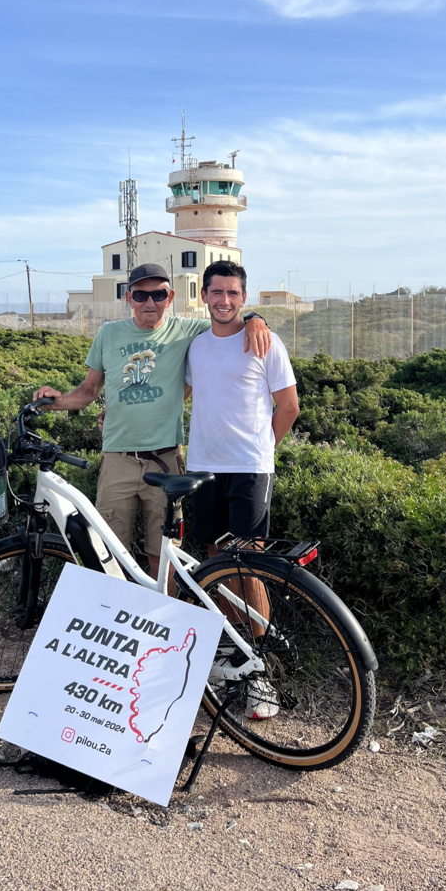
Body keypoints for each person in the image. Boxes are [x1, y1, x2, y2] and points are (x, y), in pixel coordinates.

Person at [33, 262, 270, 582]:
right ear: (128, 298)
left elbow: (226, 318)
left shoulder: (187, 330)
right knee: (109, 552)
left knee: (164, 555)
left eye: (158, 294)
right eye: (141, 295)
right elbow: (88, 391)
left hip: (166, 459)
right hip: (118, 459)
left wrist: (256, 319)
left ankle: (162, 623)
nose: (150, 302)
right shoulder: (108, 334)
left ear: (170, 297)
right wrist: (53, 401)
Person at [184, 258, 299, 718]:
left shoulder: (265, 342)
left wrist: (259, 453)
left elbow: (287, 408)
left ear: (244, 298)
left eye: (234, 294)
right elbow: (186, 394)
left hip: (249, 470)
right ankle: (232, 654)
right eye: (217, 292)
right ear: (204, 296)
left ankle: (260, 673)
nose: (225, 301)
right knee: (214, 561)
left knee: (248, 564)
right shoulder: (195, 347)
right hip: (203, 468)